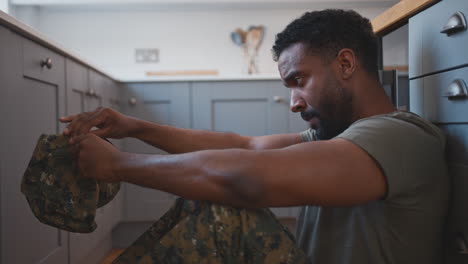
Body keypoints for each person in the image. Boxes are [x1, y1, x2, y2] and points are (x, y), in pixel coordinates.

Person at [60, 9, 449, 264]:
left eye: (299, 81)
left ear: (346, 64)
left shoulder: (402, 136)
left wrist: (117, 164)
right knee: (211, 197)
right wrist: (135, 127)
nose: (293, 102)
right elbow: (244, 147)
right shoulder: (340, 139)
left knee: (221, 208)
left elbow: (248, 180)